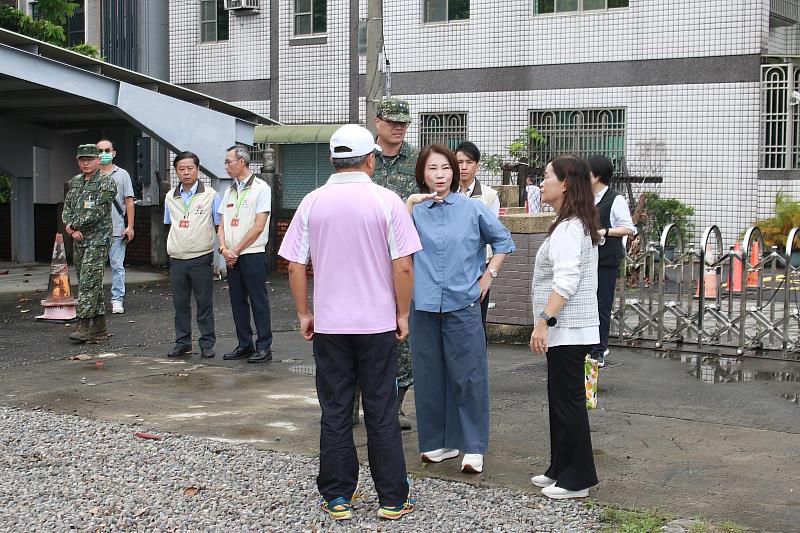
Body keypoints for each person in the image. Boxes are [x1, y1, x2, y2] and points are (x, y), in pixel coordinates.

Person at [279, 124, 421, 521]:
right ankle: (392, 498)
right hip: (377, 325)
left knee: (336, 409)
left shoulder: (312, 201)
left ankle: (338, 497)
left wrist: (305, 313)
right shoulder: (386, 200)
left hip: (330, 325)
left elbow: (294, 265)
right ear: (371, 159)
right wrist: (402, 313)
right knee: (381, 408)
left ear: (331, 159)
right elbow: (404, 265)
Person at [406, 144, 515, 475]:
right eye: (431, 169)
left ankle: (473, 446)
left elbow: (503, 242)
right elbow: (390, 242)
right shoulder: (412, 210)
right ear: (421, 174)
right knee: (428, 376)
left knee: (468, 376)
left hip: (462, 304)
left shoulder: (471, 208)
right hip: (422, 305)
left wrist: (488, 277)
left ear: (455, 172)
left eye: (445, 169)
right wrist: (409, 204)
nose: (439, 175)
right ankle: (439, 442)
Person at [529, 155, 601, 500]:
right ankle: (560, 467)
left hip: (567, 328)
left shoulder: (571, 227)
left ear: (565, 184)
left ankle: (578, 478)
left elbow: (566, 282)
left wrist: (543, 321)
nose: (541, 183)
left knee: (568, 402)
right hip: (567, 329)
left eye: (546, 177)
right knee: (559, 399)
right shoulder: (570, 222)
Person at [368, 97, 419, 429]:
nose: (398, 128)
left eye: (403, 123)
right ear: (378, 122)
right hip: (366, 258)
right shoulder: (361, 157)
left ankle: (394, 405)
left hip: (402, 257)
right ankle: (363, 400)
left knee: (402, 338)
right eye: (392, 122)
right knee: (363, 331)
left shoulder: (416, 160)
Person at [218, 145, 273, 364]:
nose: (226, 166)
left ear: (242, 161)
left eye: (228, 161)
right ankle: (244, 343)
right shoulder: (230, 190)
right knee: (237, 301)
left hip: (251, 253)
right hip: (232, 255)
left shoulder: (261, 188)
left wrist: (237, 250)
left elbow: (259, 226)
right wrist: (224, 250)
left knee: (258, 300)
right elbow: (221, 224)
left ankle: (264, 346)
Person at [164, 151, 221, 359]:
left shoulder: (211, 195)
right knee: (180, 304)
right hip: (177, 257)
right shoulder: (170, 196)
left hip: (201, 256)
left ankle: (207, 343)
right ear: (176, 171)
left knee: (204, 303)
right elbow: (168, 224)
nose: (186, 173)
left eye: (190, 168)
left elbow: (218, 224)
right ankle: (183, 342)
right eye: (181, 169)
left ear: (198, 170)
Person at [62, 144, 116, 342]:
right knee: (90, 281)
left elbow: (97, 212)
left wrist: (74, 226)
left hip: (98, 240)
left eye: (89, 159)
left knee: (87, 281)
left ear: (97, 160)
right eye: (82, 159)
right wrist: (69, 226)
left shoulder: (106, 182)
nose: (85, 163)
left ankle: (84, 325)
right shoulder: (75, 181)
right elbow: (67, 206)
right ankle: (99, 325)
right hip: (79, 239)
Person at [588, 155, 636, 367]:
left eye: (586, 173)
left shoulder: (615, 199)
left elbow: (629, 228)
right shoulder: (585, 198)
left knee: (602, 305)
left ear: (597, 176)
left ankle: (599, 349)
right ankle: (588, 346)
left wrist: (605, 231)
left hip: (606, 259)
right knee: (587, 304)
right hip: (587, 258)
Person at [455, 141, 500, 335]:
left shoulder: (488, 195)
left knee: (476, 320)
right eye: (459, 162)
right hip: (452, 265)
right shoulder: (445, 192)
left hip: (479, 267)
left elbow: (493, 233)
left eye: (469, 162)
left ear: (477, 166)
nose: (463, 167)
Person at [97, 139, 135, 315]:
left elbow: (129, 202)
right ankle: (94, 300)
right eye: (100, 151)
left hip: (117, 228)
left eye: (107, 150)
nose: (103, 154)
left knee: (117, 266)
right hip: (95, 231)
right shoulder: (91, 174)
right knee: (93, 267)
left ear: (113, 153)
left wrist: (130, 226)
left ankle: (117, 299)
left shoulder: (122, 174)